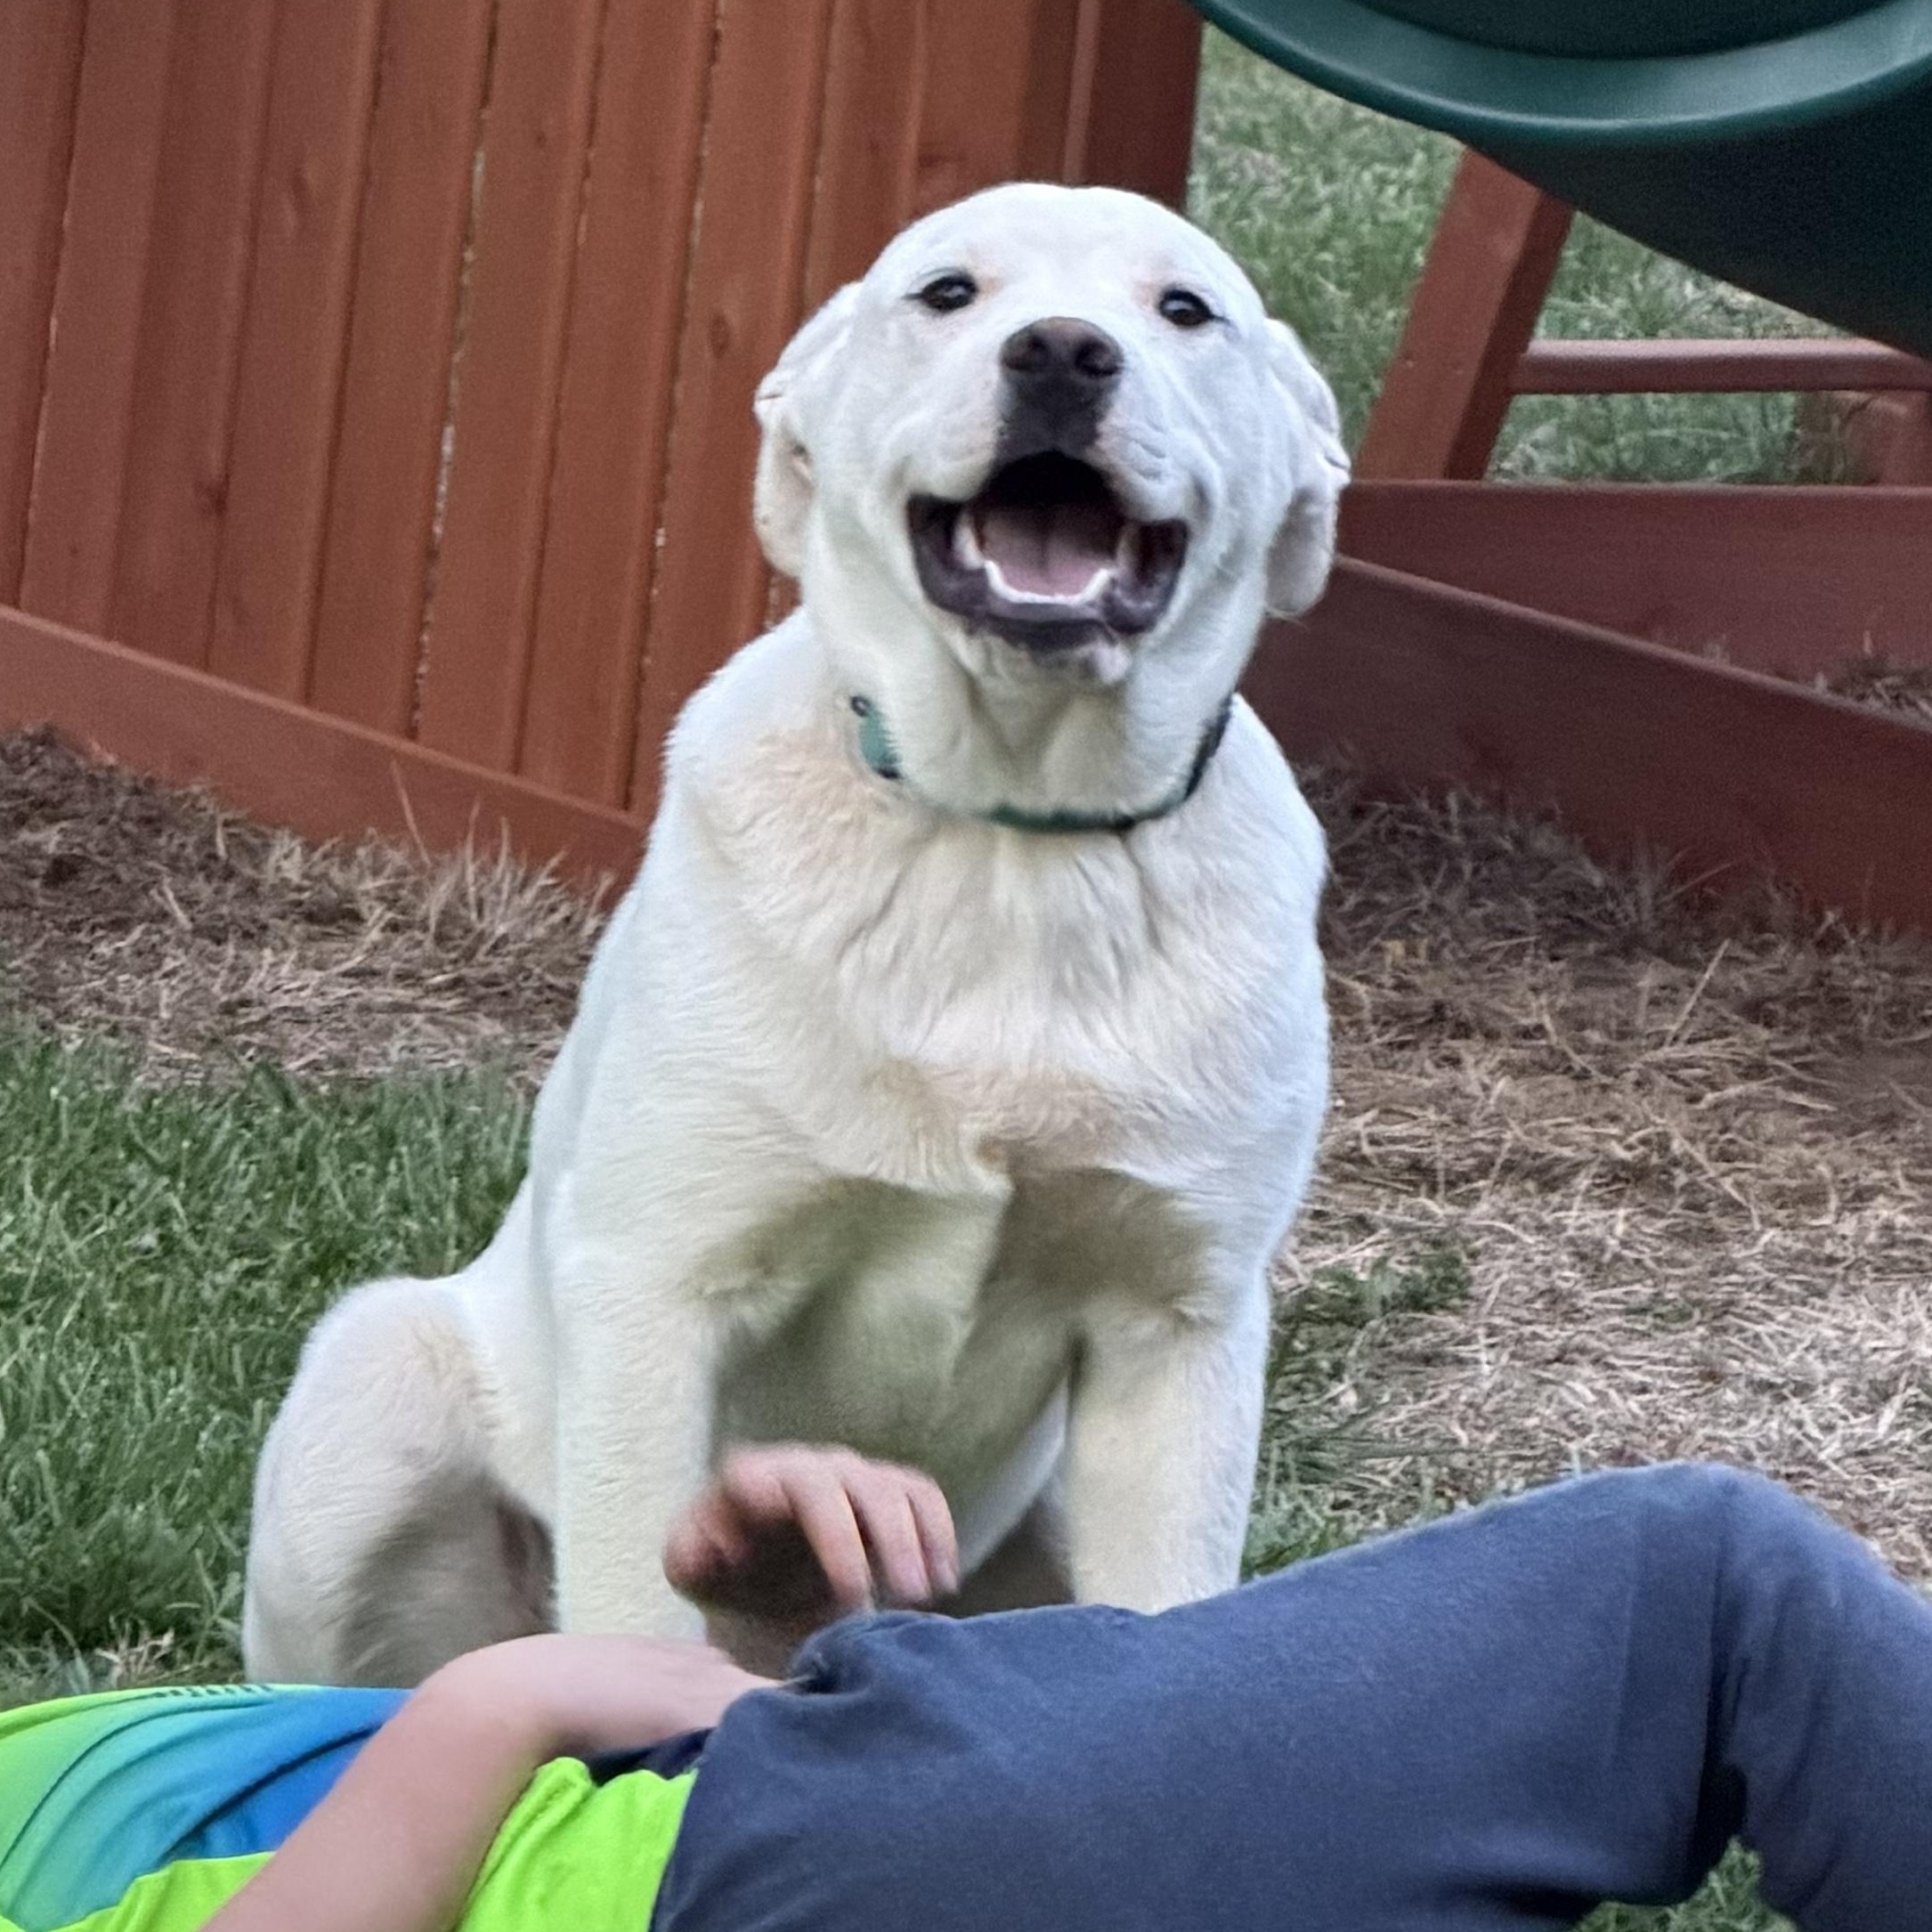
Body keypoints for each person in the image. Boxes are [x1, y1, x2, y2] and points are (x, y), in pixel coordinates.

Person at [4, 1446, 1928, 1932]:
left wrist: (748, 1647)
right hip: (794, 1863)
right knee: (1696, 1591)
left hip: (785, 1846)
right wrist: (496, 1696)